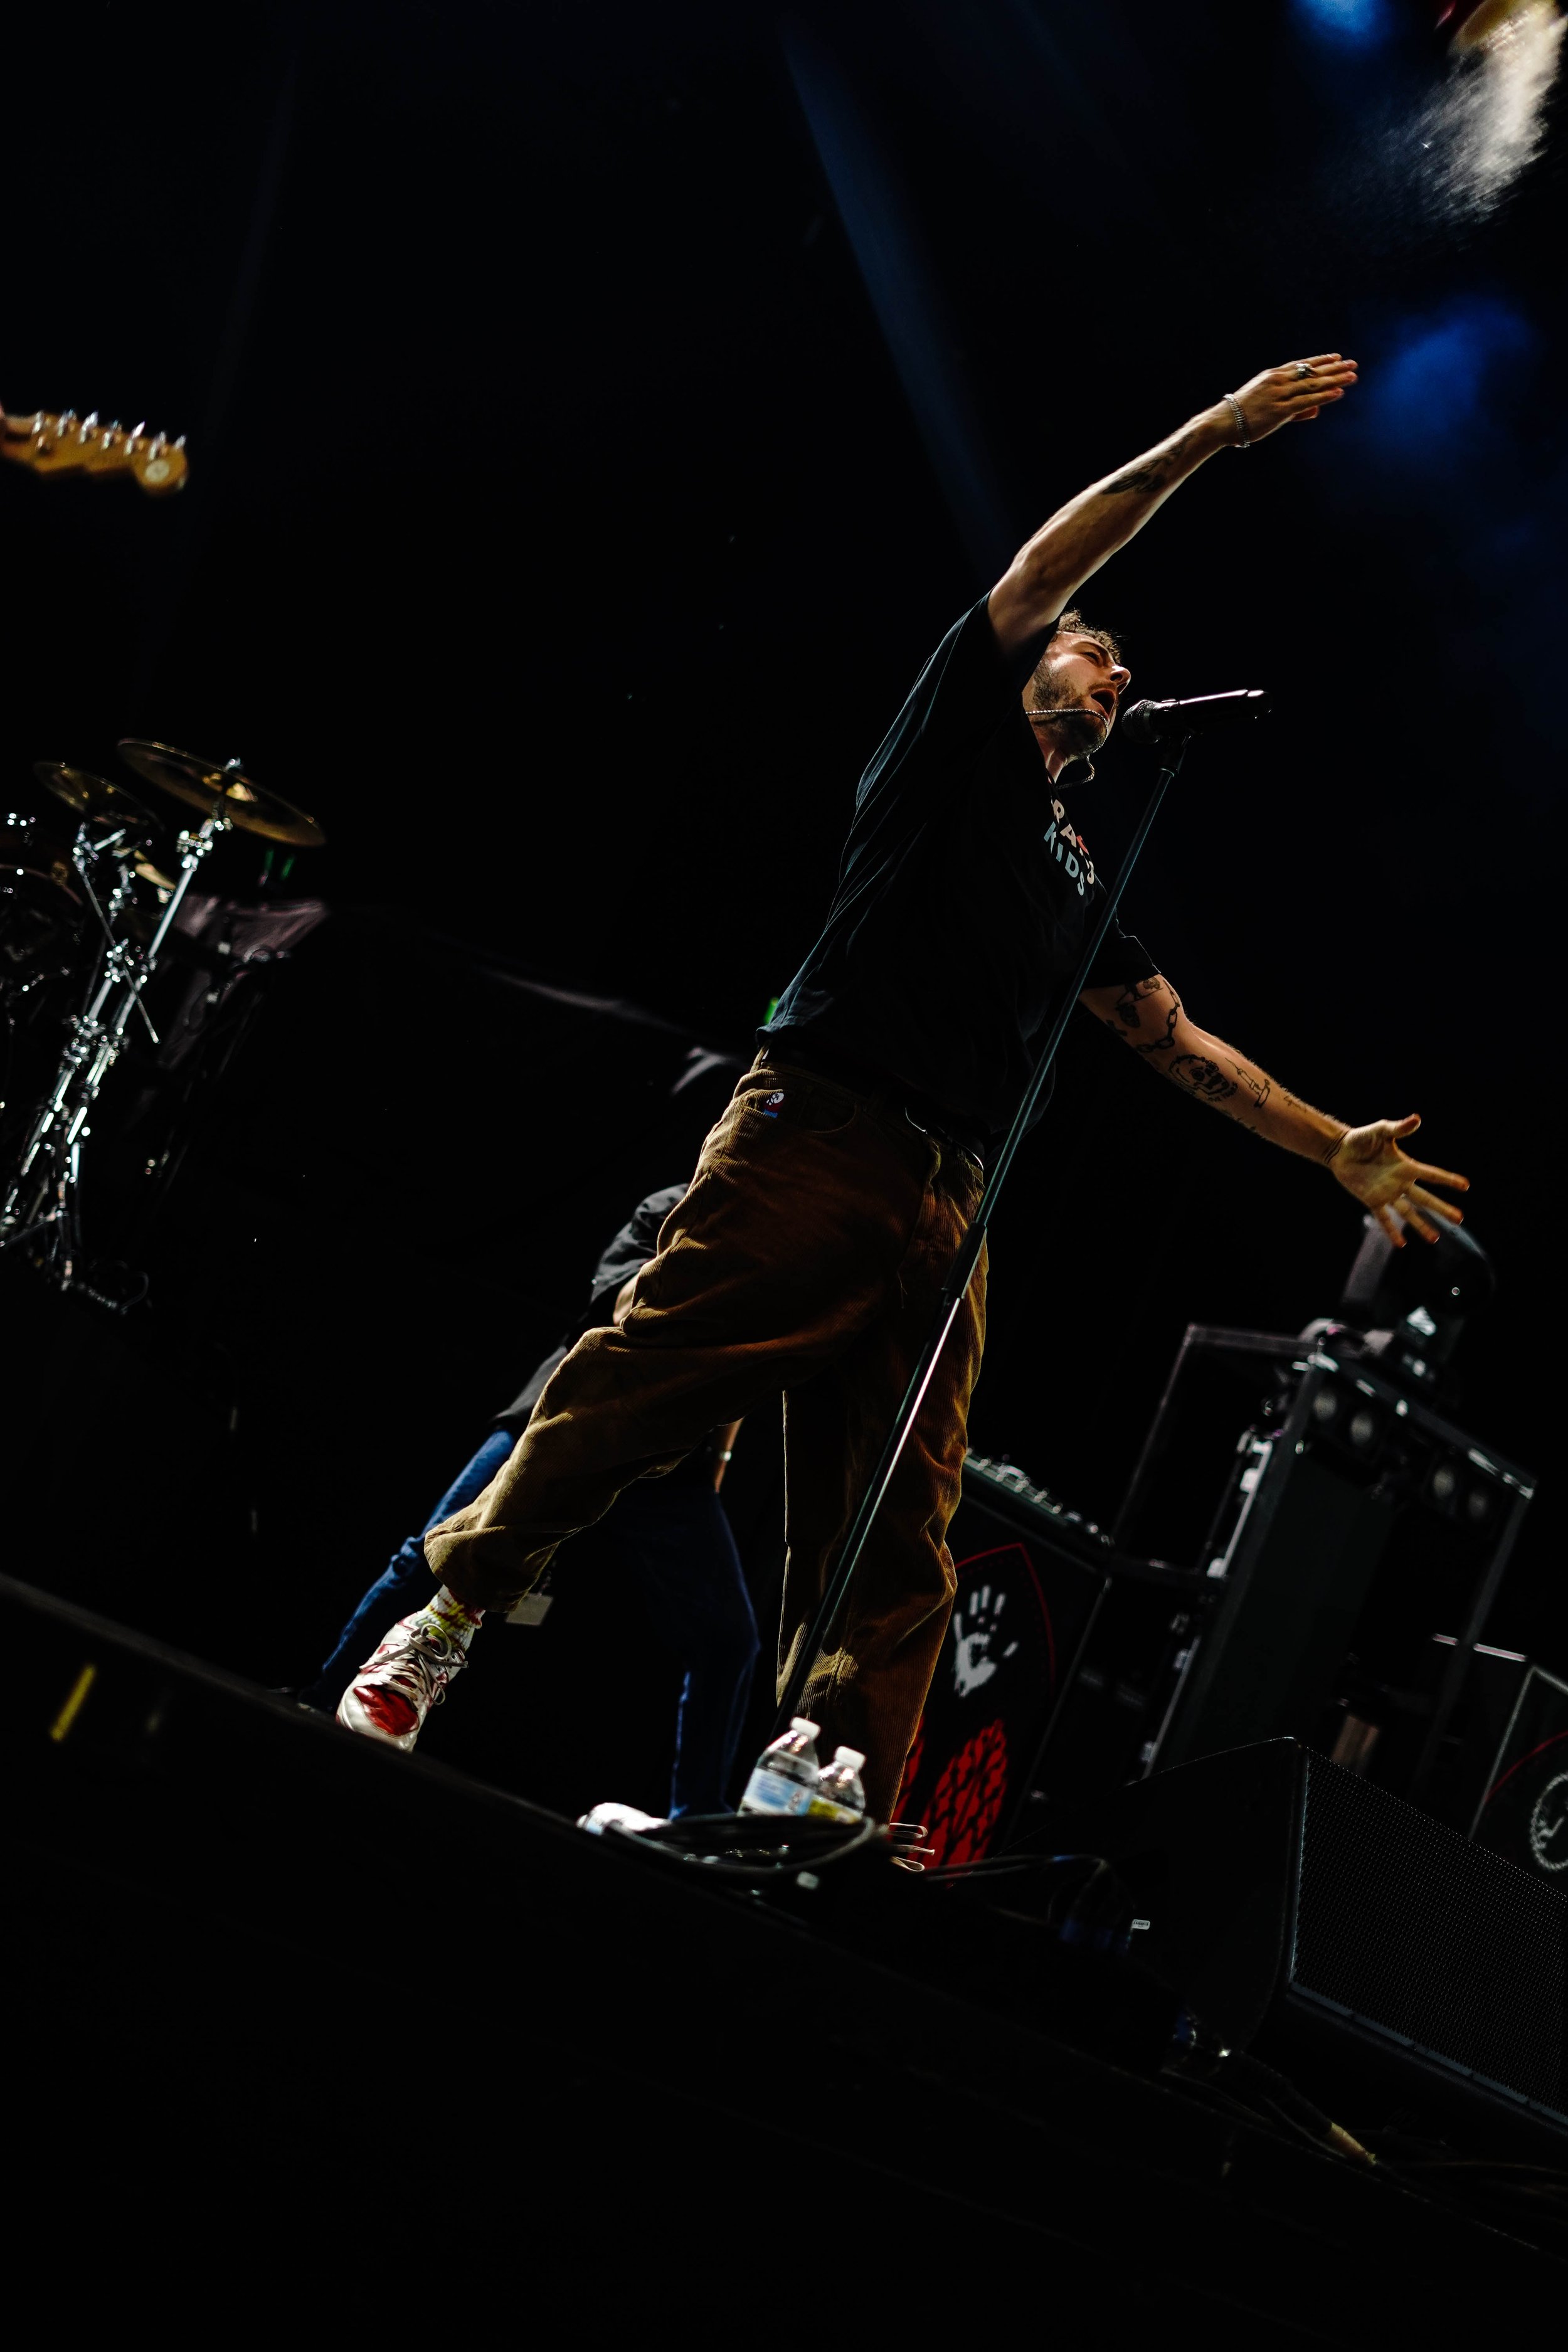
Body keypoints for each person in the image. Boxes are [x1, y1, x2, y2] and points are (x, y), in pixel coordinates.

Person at [336, 352, 1470, 1822]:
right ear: (1030, 662)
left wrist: (1334, 1149)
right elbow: (1058, 553)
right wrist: (1217, 430)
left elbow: (1175, 1039)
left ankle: (824, 1775)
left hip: (951, 1199)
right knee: (631, 1385)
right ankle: (450, 1614)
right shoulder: (958, 745)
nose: (1112, 676)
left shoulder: (1076, 879)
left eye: (1121, 668)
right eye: (1092, 653)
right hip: (822, 1130)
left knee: (901, 1512)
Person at [326, 1187, 756, 1816]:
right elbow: (607, 1313)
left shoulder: (782, 1248)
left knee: (728, 1640)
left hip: (667, 1470)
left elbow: (744, 1382)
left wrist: (716, 1457)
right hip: (560, 1421)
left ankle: (698, 1818)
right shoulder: (671, 1205)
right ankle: (317, 1699)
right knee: (428, 1556)